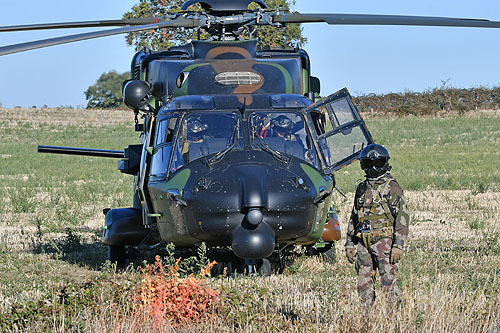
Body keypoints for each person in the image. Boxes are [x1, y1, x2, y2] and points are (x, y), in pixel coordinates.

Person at [345, 144, 410, 306]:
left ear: (385, 164)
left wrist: (398, 245)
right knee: (364, 283)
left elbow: (402, 216)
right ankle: (367, 319)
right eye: (368, 164)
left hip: (384, 242)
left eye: (378, 163)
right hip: (363, 242)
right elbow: (354, 216)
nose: (373, 168)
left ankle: (393, 318)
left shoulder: (391, 187)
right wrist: (349, 243)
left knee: (388, 280)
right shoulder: (361, 188)